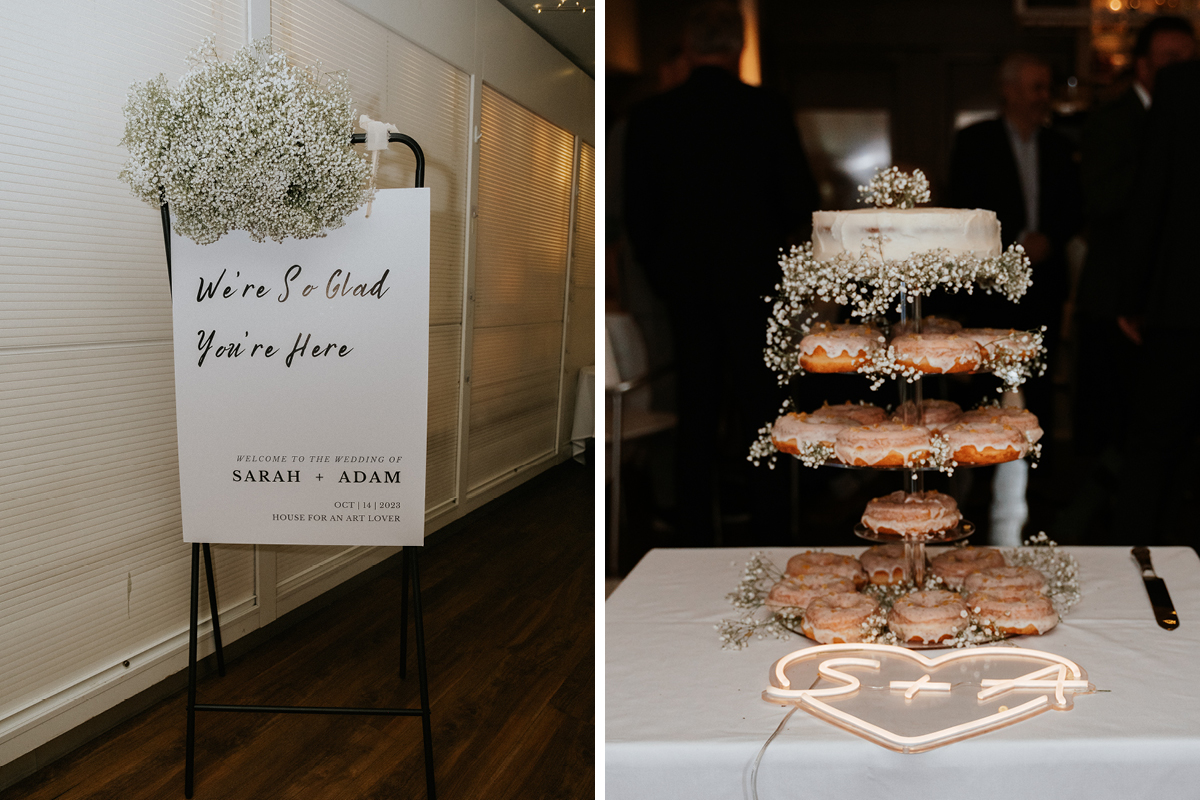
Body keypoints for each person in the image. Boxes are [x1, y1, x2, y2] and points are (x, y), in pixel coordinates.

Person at [622, 0, 818, 547]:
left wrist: (664, 277)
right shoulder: (767, 109)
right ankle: (772, 535)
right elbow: (800, 202)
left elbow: (638, 216)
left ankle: (693, 540)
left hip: (684, 289)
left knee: (696, 412)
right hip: (754, 284)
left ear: (689, 47)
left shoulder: (652, 116)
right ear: (738, 47)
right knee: (762, 412)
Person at [946, 52, 1083, 545]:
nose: (1043, 96)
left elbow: (1075, 208)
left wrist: (1050, 238)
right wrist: (1012, 244)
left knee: (1039, 385)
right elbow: (963, 207)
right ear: (1007, 90)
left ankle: (1039, 487)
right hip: (991, 287)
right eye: (1034, 87)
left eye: (1046, 86)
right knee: (984, 387)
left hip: (1043, 284)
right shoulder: (975, 141)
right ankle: (976, 482)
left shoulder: (1060, 146)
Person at [1067, 16, 1194, 543]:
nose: (1180, 68)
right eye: (1169, 59)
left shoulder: (1180, 104)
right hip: (1123, 298)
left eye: (1187, 58)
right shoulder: (1115, 119)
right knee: (1119, 429)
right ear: (1142, 65)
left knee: (1159, 440)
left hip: (1168, 301)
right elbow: (1106, 199)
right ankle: (1091, 531)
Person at [1112, 55, 1200, 547]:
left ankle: (1143, 569)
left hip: (1183, 304)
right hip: (1182, 304)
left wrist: (1133, 296)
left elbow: (1150, 195)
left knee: (1154, 451)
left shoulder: (1182, 86)